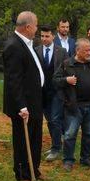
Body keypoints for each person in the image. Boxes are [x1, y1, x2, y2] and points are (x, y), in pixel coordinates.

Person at [3, 12, 45, 181]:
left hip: (35, 100)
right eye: (36, 25)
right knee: (22, 139)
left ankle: (34, 169)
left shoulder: (27, 44)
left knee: (36, 137)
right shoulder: (14, 46)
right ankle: (22, 174)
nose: (37, 29)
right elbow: (14, 80)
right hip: (23, 105)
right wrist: (21, 105)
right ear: (28, 27)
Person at [53, 38, 90, 171]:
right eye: (86, 50)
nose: (89, 53)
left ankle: (86, 158)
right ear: (77, 50)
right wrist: (66, 80)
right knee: (70, 134)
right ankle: (68, 160)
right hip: (74, 107)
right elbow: (55, 81)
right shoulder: (67, 64)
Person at [35, 24, 68, 162]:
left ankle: (56, 148)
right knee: (49, 119)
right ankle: (57, 143)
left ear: (53, 36)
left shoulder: (62, 51)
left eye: (47, 36)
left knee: (55, 119)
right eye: (42, 36)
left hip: (57, 92)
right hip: (42, 92)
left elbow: (67, 70)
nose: (44, 38)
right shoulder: (36, 50)